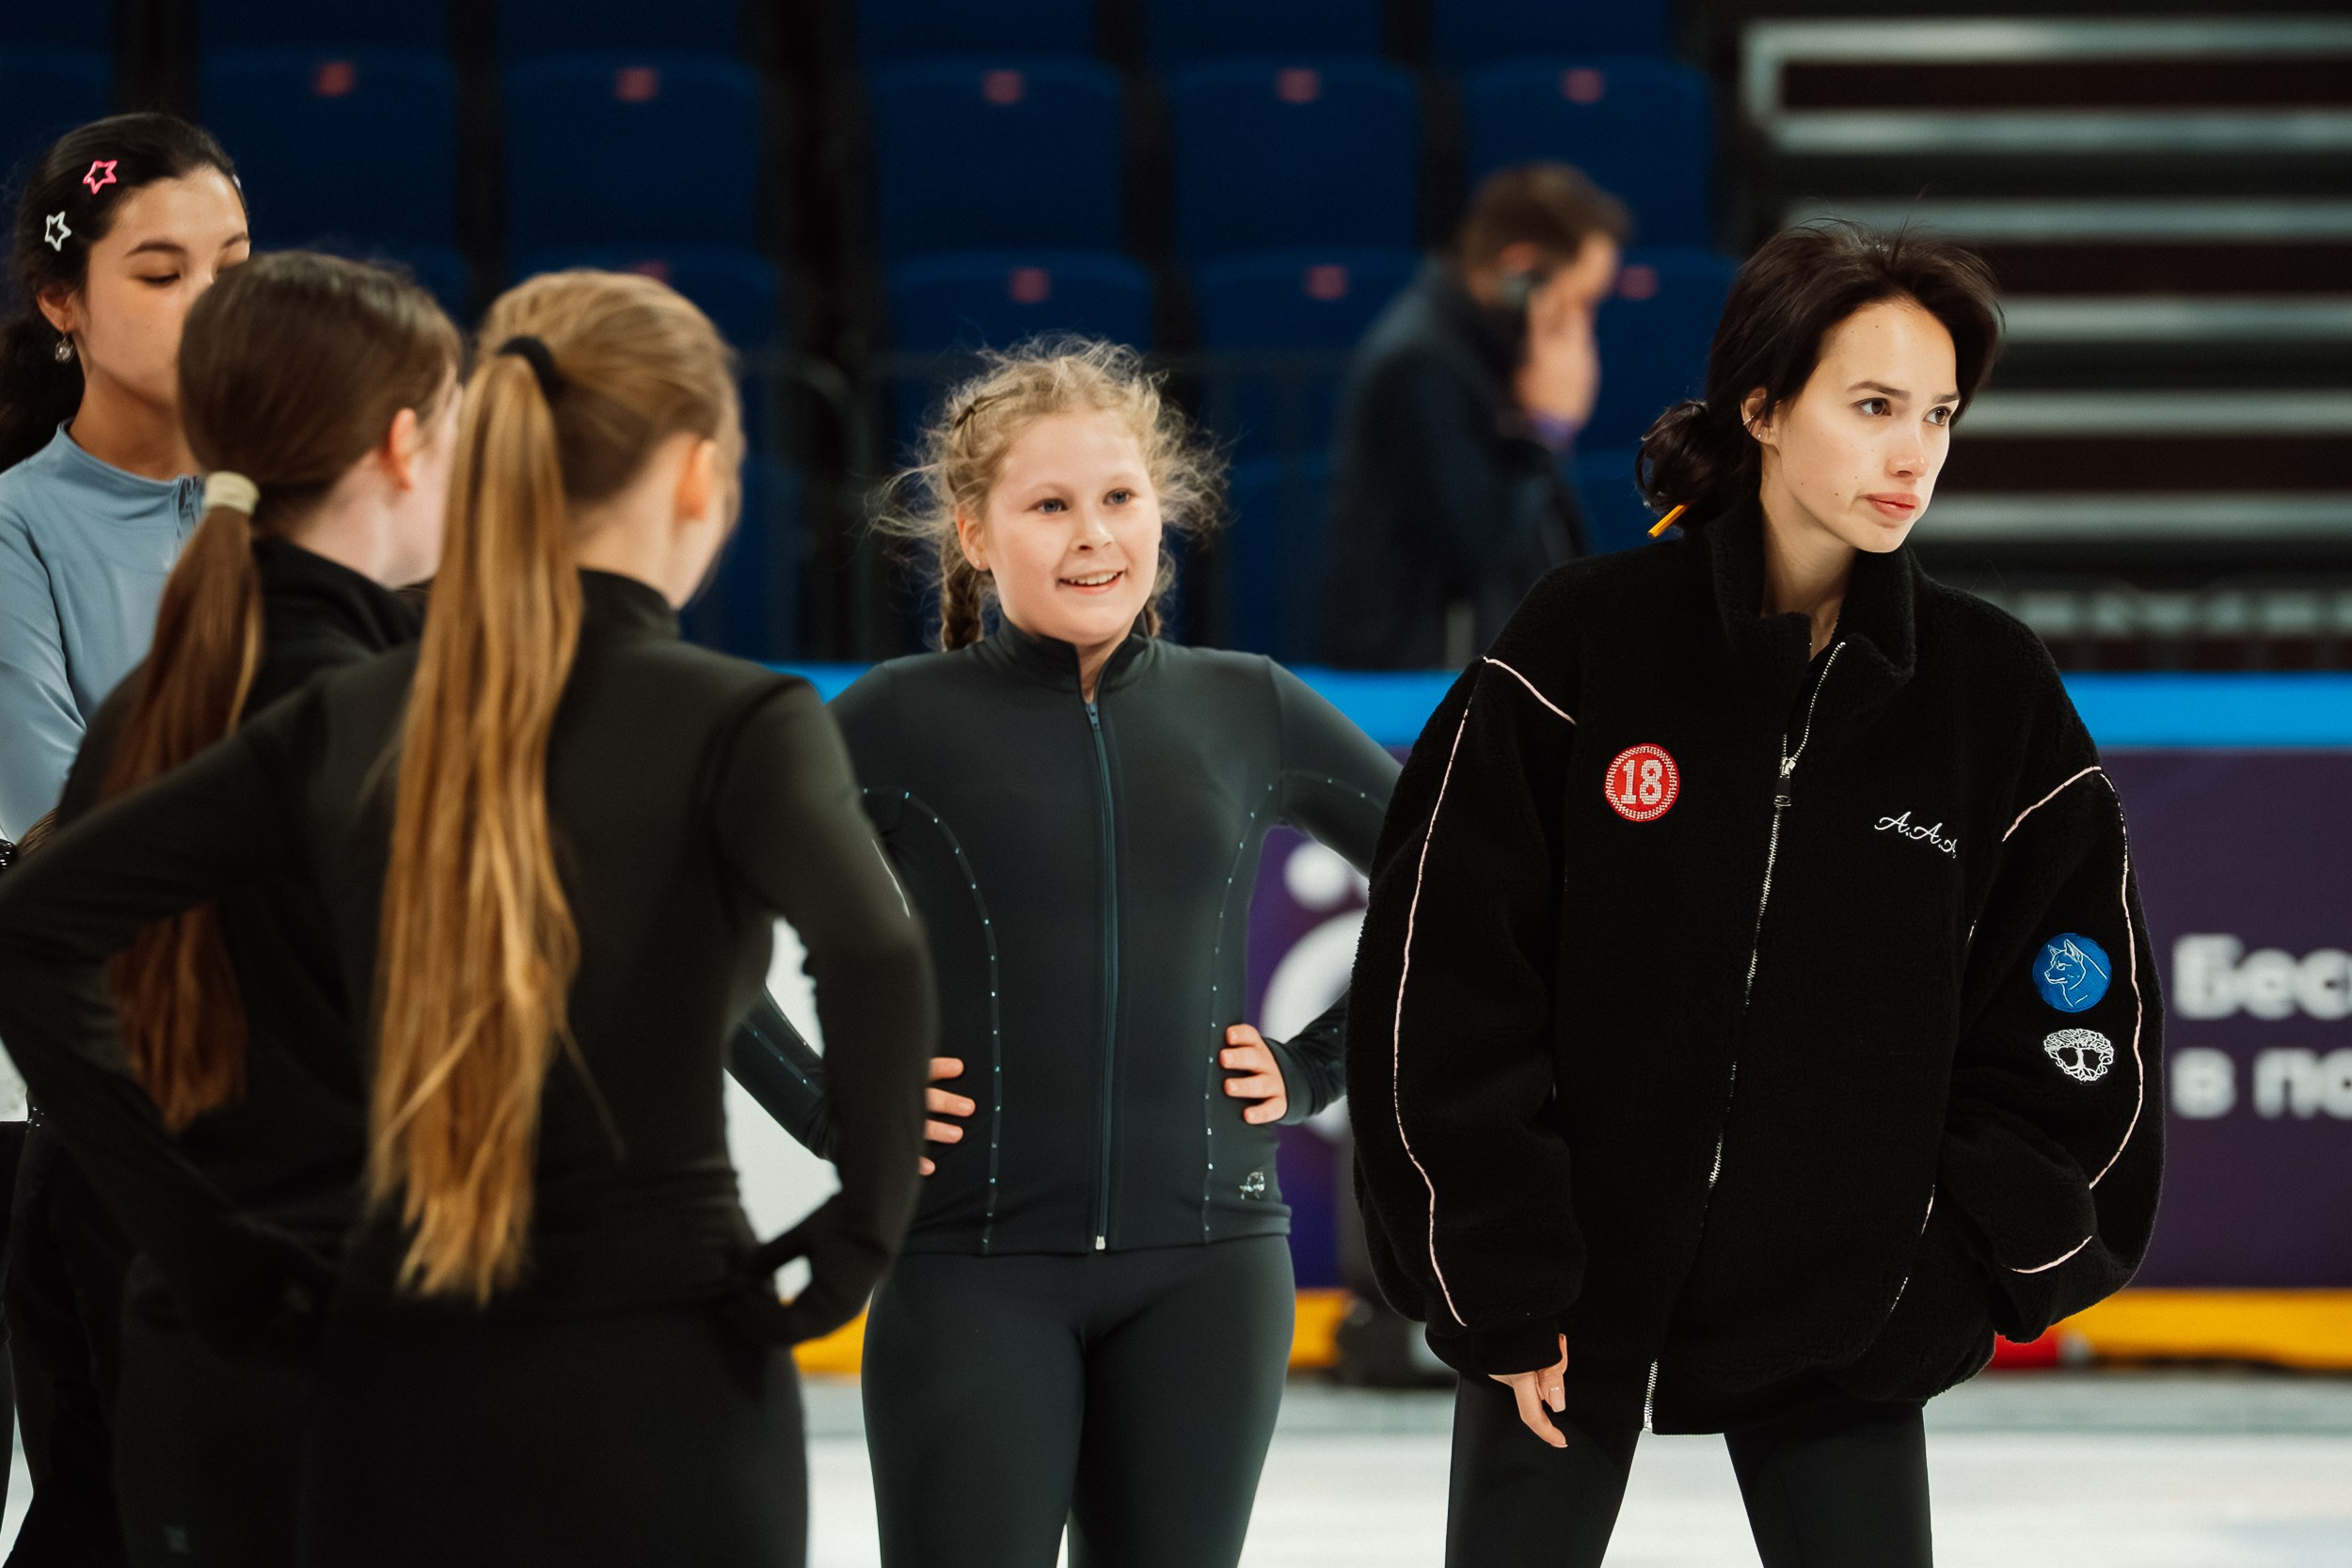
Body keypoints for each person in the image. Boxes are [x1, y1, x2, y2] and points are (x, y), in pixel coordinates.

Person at [0, 268, 935, 1567]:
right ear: (697, 475)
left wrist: (201, 1244)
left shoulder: (351, 709)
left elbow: (35, 924)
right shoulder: (732, 718)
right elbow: (877, 949)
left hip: (388, 1361)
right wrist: (861, 1225)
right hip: (660, 1353)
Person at [1345, 221, 2165, 1567]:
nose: (1915, 455)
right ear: (1767, 407)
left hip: (1844, 1312)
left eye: (1940, 414)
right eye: (1874, 406)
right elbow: (1443, 976)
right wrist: (1503, 1274)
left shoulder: (1990, 690)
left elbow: (2080, 1011)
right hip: (1564, 1298)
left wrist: (1943, 1263)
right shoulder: (1582, 639)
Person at [733, 340, 1398, 1568]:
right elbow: (695, 926)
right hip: (971, 1274)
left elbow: (1459, 883)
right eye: (1050, 505)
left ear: (1165, 511)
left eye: (1120, 498)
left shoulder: (1247, 702)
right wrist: (836, 1113)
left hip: (1210, 1276)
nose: (1094, 535)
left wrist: (1318, 1066)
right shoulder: (891, 718)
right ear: (977, 534)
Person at [43, 250, 461, 1567]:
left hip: (189, 1350)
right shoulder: (365, 716)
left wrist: (187, 1234)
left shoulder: (152, 698)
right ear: (403, 444)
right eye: (449, 427)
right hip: (356, 1360)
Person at [0, 110, 246, 1568]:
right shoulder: (16, 531)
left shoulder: (326, 513)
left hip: (310, 1110)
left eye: (236, 260)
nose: (216, 300)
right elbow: (56, 820)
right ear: (60, 304)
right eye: (163, 269)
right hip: (92, 1108)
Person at [1318, 162, 1626, 670]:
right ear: (1520, 271)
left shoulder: (1492, 347)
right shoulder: (1420, 361)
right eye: (1579, 302)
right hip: (1412, 677)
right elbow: (1482, 541)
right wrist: (1543, 429)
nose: (1584, 327)